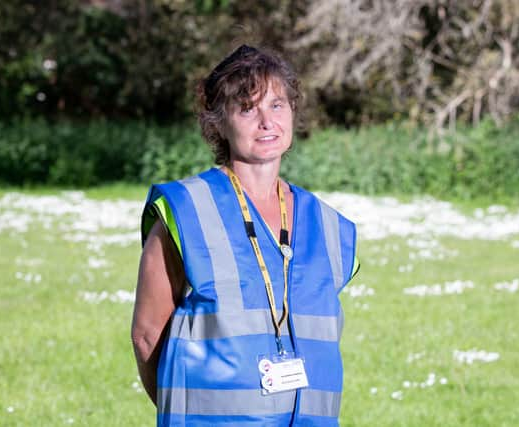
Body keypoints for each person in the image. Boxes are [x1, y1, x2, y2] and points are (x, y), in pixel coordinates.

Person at [131, 44, 360, 426]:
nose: (266, 121)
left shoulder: (328, 224)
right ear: (219, 122)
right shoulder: (186, 211)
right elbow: (146, 335)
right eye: (248, 108)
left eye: (277, 105)